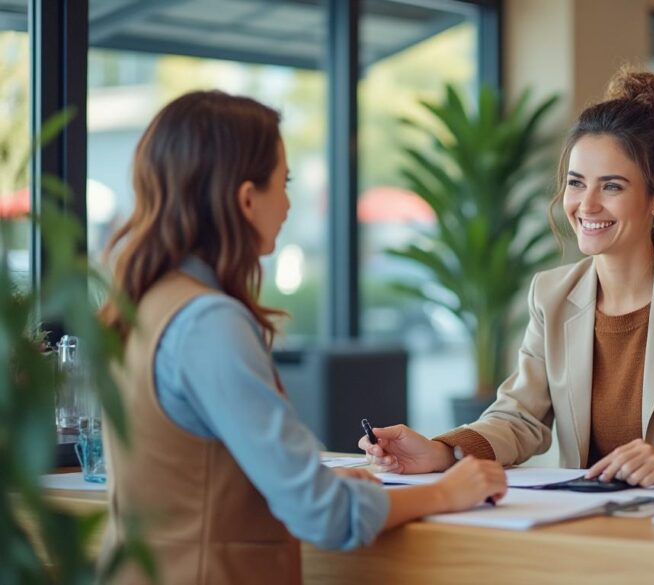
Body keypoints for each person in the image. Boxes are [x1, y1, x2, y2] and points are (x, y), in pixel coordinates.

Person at [97, 90, 507, 585]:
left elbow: (189, 475)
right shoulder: (208, 323)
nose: (289, 203)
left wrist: (317, 481)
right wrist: (447, 492)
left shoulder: (143, 305)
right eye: (284, 182)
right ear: (247, 199)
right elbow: (325, 515)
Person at [360, 69, 654, 487]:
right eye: (577, 183)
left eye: (612, 187)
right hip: (587, 513)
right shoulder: (552, 294)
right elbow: (519, 417)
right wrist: (441, 451)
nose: (587, 205)